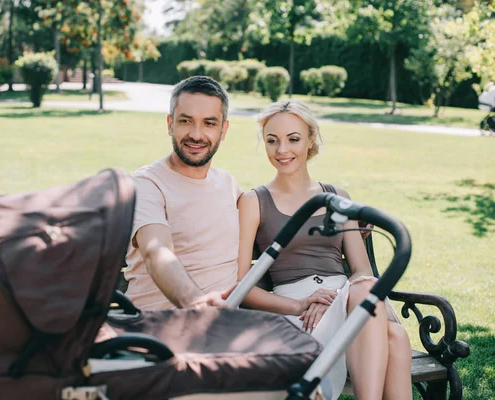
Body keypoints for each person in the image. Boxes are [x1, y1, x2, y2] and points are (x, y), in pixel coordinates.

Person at [237, 99, 413, 400]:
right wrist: (302, 303)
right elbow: (242, 287)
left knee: (369, 295)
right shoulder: (253, 201)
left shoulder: (337, 197)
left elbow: (360, 270)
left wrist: (333, 301)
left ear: (310, 141)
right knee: (394, 335)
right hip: (297, 312)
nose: (282, 151)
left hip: (347, 301)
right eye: (272, 141)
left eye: (293, 139)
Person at [124, 76, 241, 311]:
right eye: (186, 121)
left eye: (209, 123)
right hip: (159, 326)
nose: (196, 135)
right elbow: (156, 250)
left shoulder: (229, 185)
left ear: (223, 129)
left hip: (221, 327)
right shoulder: (147, 184)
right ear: (170, 124)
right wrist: (196, 302)